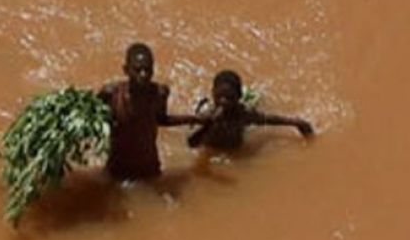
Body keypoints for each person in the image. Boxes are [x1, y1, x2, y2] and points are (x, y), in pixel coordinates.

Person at [97, 43, 197, 180]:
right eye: (137, 70)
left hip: (148, 168)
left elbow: (162, 119)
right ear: (126, 70)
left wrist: (195, 119)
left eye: (147, 70)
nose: (143, 75)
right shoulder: (111, 94)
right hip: (117, 168)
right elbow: (94, 120)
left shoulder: (159, 93)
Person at [186, 69, 314, 151]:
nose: (223, 101)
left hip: (235, 150)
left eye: (229, 98)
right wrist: (210, 124)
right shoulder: (207, 115)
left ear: (238, 97)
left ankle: (255, 96)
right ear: (212, 93)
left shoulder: (243, 115)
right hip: (212, 148)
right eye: (219, 97)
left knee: (256, 104)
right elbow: (191, 144)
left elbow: (269, 119)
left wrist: (296, 122)